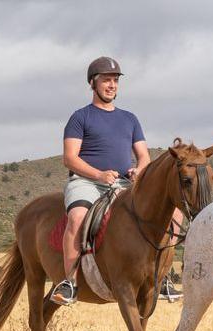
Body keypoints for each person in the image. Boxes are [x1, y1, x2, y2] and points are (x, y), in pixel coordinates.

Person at [50, 57, 152, 306]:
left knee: (154, 216)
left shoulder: (130, 119)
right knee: (76, 218)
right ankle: (69, 282)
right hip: (86, 182)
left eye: (115, 80)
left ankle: (160, 277)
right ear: (93, 83)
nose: (112, 85)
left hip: (123, 184)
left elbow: (144, 156)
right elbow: (69, 158)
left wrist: (139, 170)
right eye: (106, 80)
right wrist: (99, 174)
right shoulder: (80, 117)